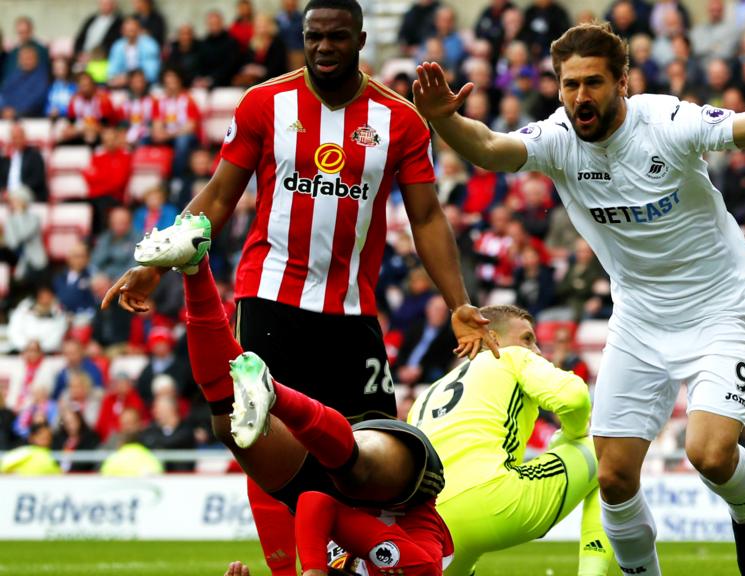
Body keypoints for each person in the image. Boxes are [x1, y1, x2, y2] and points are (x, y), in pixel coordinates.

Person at [414, 20, 745, 576]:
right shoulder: (557, 140)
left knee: (710, 454)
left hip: (717, 307)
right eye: (569, 85)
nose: (580, 97)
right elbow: (493, 149)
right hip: (638, 317)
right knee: (614, 477)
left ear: (623, 81)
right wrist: (445, 117)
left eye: (593, 83)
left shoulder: (667, 122)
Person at [102, 2, 496, 574]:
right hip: (270, 300)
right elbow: (218, 195)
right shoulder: (265, 103)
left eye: (337, 37)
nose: (324, 48)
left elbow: (428, 218)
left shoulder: (400, 119)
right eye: (314, 37)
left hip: (351, 313)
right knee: (254, 439)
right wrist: (155, 261)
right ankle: (300, 567)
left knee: (370, 464)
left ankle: (354, 562)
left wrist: (458, 302)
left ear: (360, 39)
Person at [136, 230, 452, 574]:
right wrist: (313, 568)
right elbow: (322, 504)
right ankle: (273, 392)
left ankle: (195, 268)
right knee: (353, 472)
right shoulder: (415, 567)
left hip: (331, 499)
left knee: (232, 428)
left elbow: (312, 499)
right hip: (406, 492)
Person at [410, 304, 612, 576]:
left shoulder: (428, 393)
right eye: (528, 339)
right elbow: (574, 397)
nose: (537, 351)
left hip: (431, 524)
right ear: (491, 338)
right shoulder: (510, 357)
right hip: (493, 500)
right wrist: (574, 436)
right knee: (608, 452)